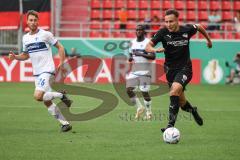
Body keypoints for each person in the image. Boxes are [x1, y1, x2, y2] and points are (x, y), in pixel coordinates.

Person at [145, 9, 213, 132]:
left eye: (171, 21)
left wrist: (209, 40)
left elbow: (199, 27)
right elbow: (148, 46)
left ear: (177, 21)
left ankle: (170, 126)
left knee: (173, 92)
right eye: (166, 22)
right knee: (182, 103)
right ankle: (193, 111)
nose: (168, 24)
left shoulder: (186, 30)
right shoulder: (162, 32)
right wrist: (155, 50)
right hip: (170, 71)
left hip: (185, 69)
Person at [8, 10, 73, 132]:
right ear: (27, 22)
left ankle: (61, 95)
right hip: (37, 74)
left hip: (47, 70)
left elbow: (60, 47)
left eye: (35, 20)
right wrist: (15, 57)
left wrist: (62, 62)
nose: (33, 22)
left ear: (38, 21)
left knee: (38, 96)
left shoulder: (46, 34)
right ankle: (65, 124)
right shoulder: (25, 38)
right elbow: (26, 55)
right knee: (46, 101)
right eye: (31, 20)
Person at [126, 25, 163, 120]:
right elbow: (131, 54)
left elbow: (153, 56)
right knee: (128, 90)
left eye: (140, 30)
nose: (138, 31)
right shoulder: (132, 42)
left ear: (144, 32)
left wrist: (140, 54)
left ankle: (149, 111)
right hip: (135, 70)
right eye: (137, 30)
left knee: (144, 92)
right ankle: (139, 107)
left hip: (146, 70)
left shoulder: (148, 42)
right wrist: (130, 58)